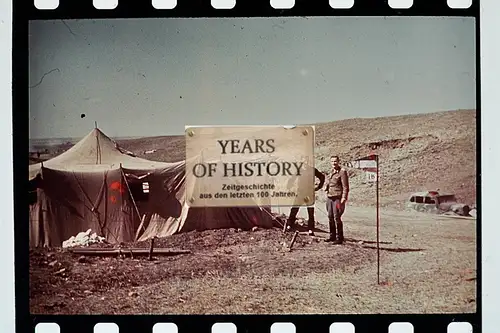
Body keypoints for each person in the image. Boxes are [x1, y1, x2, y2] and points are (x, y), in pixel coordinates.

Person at [287, 167, 325, 236]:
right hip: (300, 193)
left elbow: (322, 177)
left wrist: (319, 187)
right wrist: (289, 187)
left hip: (309, 194)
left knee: (310, 211)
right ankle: (289, 225)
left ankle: (310, 229)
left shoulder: (313, 170)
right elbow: (292, 178)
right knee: (294, 209)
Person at [324, 155, 349, 244]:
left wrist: (344, 198)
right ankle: (332, 236)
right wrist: (326, 188)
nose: (334, 163)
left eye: (335, 161)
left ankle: (340, 238)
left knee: (337, 217)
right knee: (330, 216)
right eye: (332, 161)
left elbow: (345, 187)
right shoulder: (331, 172)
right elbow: (328, 183)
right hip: (330, 198)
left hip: (338, 199)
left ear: (338, 162)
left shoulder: (342, 172)